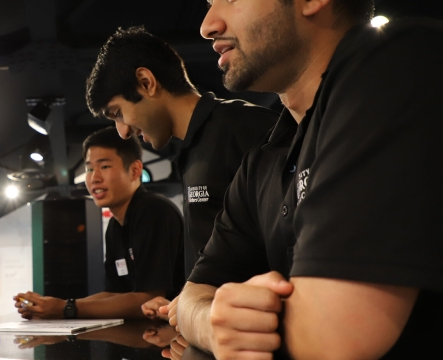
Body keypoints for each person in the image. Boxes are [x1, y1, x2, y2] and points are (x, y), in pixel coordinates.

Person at [170, 0, 443, 359]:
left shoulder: (396, 63)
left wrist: (233, 322)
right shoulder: (263, 159)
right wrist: (214, 323)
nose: (208, 25)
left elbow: (334, 337)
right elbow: (191, 296)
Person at [84, 26, 278, 321]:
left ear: (146, 82)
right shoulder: (189, 153)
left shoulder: (245, 128)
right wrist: (180, 304)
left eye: (118, 113)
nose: (123, 132)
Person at [14, 127, 183, 320]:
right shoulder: (114, 226)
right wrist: (50, 307)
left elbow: (151, 299)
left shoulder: (153, 211)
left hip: (172, 339)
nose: (94, 178)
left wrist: (64, 308)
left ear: (135, 170)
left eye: (104, 166)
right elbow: (114, 293)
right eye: (89, 169)